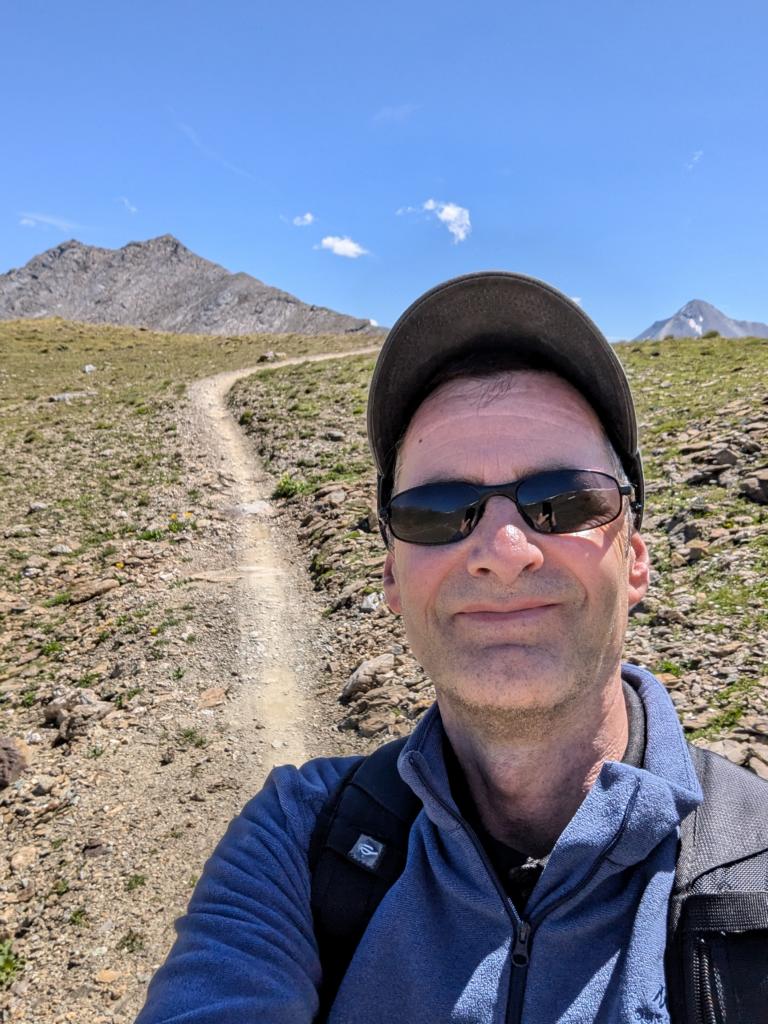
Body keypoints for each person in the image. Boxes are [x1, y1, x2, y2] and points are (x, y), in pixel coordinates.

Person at [136, 273, 768, 1024]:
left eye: (563, 500)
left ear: (634, 558)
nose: (504, 552)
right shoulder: (297, 840)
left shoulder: (755, 860)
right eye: (438, 511)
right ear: (392, 578)